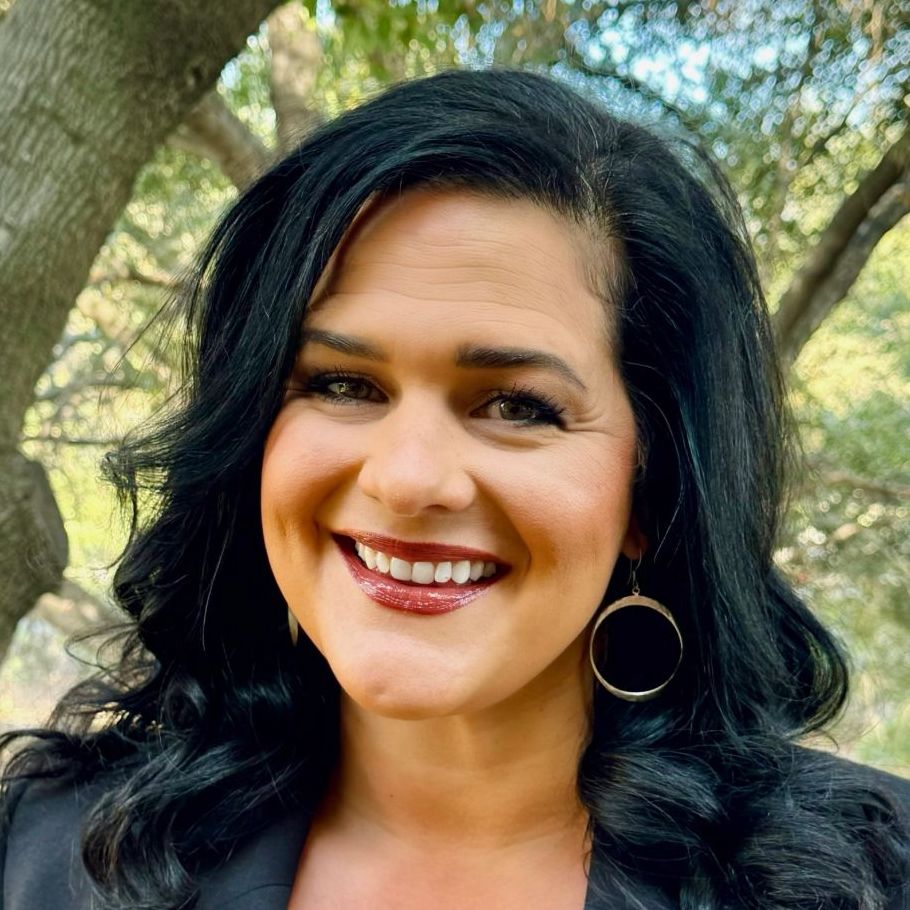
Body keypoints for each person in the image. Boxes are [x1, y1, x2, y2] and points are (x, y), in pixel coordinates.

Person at [1, 67, 908, 910]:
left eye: (516, 404)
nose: (406, 479)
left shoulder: (870, 878)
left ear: (653, 487)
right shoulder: (45, 858)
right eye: (341, 385)